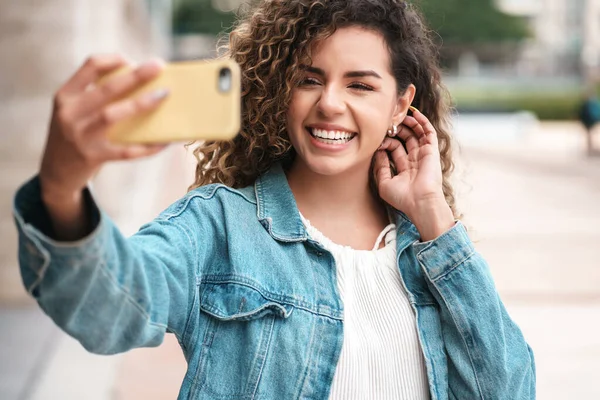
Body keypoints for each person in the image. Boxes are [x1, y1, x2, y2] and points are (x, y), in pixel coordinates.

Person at [13, 0, 535, 399]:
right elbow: (108, 311)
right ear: (283, 90)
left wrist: (434, 220)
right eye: (310, 79)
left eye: (360, 85)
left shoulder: (429, 252)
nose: (329, 103)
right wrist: (61, 187)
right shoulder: (218, 226)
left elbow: (509, 389)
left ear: (401, 104)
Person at [579, 89, 600, 156]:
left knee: (590, 135)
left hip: (590, 121)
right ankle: (591, 148)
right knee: (590, 135)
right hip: (591, 121)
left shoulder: (589, 103)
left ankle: (591, 148)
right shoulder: (592, 103)